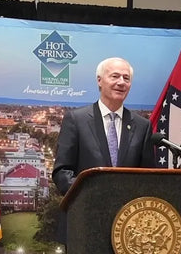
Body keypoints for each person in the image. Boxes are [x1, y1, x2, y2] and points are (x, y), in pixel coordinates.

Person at [52, 57, 155, 195]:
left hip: (128, 213)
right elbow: (62, 172)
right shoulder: (76, 120)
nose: (121, 82)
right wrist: (93, 194)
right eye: (115, 76)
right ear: (99, 80)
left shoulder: (142, 126)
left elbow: (149, 178)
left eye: (126, 78)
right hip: (86, 210)